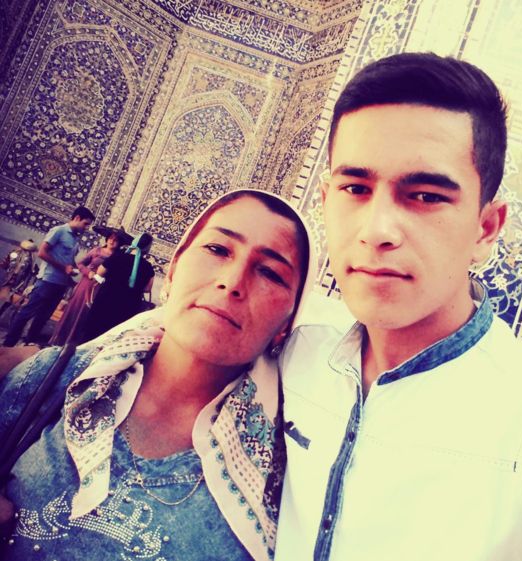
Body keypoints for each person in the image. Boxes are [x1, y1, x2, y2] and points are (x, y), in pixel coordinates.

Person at [274, 53, 522, 561]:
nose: (376, 230)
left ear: (486, 229)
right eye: (355, 189)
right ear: (325, 200)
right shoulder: (292, 349)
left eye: (425, 196)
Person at [0, 189, 313, 560]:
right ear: (176, 268)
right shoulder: (57, 379)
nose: (233, 282)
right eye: (217, 249)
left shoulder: (287, 486)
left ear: (287, 322)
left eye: (271, 273)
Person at [2, 206, 94, 347]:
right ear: (77, 218)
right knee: (27, 313)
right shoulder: (59, 231)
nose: (86, 228)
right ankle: (8, 344)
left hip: (60, 285)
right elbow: (42, 253)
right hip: (47, 281)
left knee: (43, 318)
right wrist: (64, 268)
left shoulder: (75, 239)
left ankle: (28, 344)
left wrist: (72, 278)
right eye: (85, 224)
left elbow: (68, 262)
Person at [49, 228, 131, 346]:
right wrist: (89, 273)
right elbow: (80, 264)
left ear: (120, 243)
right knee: (76, 308)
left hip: (101, 288)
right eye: (110, 238)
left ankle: (77, 344)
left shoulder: (119, 257)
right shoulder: (97, 250)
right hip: (86, 284)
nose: (112, 241)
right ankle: (60, 340)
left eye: (116, 240)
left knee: (88, 314)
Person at [80, 232, 155, 342]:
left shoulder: (117, 256)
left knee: (93, 334)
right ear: (147, 249)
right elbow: (147, 289)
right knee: (113, 339)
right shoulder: (148, 267)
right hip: (127, 307)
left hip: (105, 301)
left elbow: (100, 272)